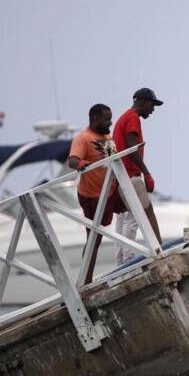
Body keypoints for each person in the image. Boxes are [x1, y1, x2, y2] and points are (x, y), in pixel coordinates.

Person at [66, 103, 119, 285]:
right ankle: (85, 281)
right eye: (107, 119)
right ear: (95, 118)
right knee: (93, 239)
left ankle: (138, 256)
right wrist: (81, 164)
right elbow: (72, 160)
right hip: (92, 196)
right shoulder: (83, 138)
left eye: (110, 118)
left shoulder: (106, 136)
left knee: (137, 208)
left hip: (109, 192)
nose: (110, 123)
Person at [113, 88, 164, 265]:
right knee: (135, 217)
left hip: (122, 175)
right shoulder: (133, 118)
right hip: (130, 175)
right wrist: (146, 173)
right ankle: (128, 259)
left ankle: (120, 260)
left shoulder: (125, 117)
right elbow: (131, 148)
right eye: (152, 105)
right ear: (143, 102)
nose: (153, 109)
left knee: (123, 219)